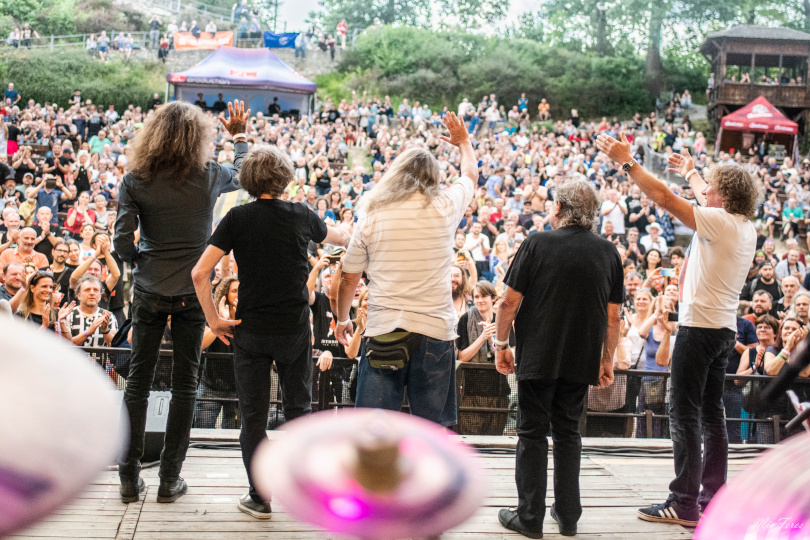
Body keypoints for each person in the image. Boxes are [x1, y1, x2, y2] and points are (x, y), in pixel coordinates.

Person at [596, 133, 758, 526]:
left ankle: (683, 502)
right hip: (721, 331)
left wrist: (628, 162)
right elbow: (705, 196)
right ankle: (712, 498)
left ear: (723, 196)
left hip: (699, 329)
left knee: (682, 411)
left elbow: (668, 201)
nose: (707, 192)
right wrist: (693, 172)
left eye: (712, 188)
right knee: (711, 414)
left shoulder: (717, 222)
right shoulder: (743, 225)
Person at [191, 144, 351, 519]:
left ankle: (259, 497)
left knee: (253, 418)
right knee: (299, 411)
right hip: (294, 330)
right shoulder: (301, 214)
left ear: (248, 179)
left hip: (251, 332)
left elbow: (200, 273)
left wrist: (214, 319)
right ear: (285, 178)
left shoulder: (237, 218)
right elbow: (342, 238)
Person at [113, 100, 250, 505]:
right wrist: (239, 136)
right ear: (198, 138)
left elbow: (122, 239)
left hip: (150, 289)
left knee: (137, 382)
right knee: (186, 385)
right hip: (195, 291)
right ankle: (169, 479)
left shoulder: (135, 179)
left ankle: (127, 476)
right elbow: (243, 175)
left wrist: (140, 262)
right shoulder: (209, 175)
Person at [493, 179, 623, 539]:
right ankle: (568, 518)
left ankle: (530, 518)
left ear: (560, 209)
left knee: (532, 433)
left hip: (538, 356)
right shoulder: (608, 252)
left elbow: (508, 302)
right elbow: (614, 316)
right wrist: (606, 359)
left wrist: (501, 344)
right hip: (581, 359)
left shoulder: (537, 242)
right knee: (568, 433)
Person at [334, 112, 476, 428]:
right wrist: (463, 142)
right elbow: (470, 176)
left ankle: (378, 479)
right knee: (432, 432)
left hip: (385, 328)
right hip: (435, 331)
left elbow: (348, 276)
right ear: (435, 177)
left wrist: (343, 319)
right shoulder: (446, 206)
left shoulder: (372, 212)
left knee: (376, 431)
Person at [456, 280, 513, 435]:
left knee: (494, 440)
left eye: (484, 296)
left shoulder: (502, 321)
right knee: (470, 439)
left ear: (493, 298)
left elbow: (509, 356)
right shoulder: (465, 320)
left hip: (498, 391)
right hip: (472, 391)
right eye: (476, 297)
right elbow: (461, 357)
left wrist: (492, 341)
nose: (480, 300)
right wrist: (482, 337)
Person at [66, 275, 117, 347]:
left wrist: (105, 330)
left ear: (100, 296)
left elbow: (115, 346)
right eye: (87, 290)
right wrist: (89, 331)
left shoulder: (109, 316)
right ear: (79, 296)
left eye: (96, 290)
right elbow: (65, 345)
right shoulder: (69, 315)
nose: (92, 293)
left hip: (101, 358)